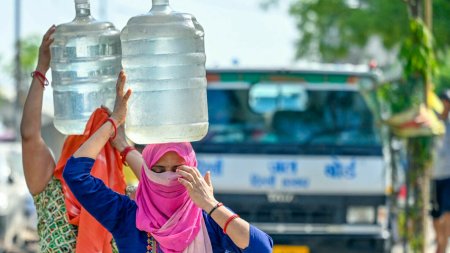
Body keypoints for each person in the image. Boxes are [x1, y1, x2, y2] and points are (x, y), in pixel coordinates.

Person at [62, 71, 274, 252]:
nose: (168, 178)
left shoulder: (209, 221)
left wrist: (210, 203)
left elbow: (262, 248)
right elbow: (75, 175)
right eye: (159, 170)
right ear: (147, 174)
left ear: (193, 173)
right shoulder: (127, 217)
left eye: (178, 169)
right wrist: (114, 121)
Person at [20, 25, 138, 252]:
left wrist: (120, 137)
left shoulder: (123, 201)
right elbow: (29, 135)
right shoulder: (51, 190)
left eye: (99, 142)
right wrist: (42, 68)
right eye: (89, 141)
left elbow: (164, 190)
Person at [431, 90, 450, 253]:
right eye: (444, 101)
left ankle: (443, 243)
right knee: (436, 214)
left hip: (448, 176)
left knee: (448, 212)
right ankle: (440, 241)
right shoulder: (430, 125)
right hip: (433, 176)